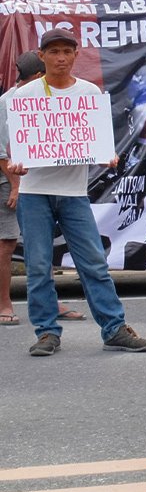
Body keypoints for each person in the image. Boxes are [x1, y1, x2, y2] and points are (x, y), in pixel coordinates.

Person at [0, 28, 146, 356]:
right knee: (39, 266)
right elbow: (13, 149)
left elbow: (95, 141)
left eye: (66, 52)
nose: (60, 58)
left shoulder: (88, 93)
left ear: (75, 55)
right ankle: (46, 333)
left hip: (73, 193)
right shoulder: (22, 98)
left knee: (94, 263)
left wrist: (106, 155)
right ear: (41, 56)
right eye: (53, 52)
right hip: (34, 192)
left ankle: (114, 328)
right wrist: (14, 166)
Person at [0, 52, 43, 327]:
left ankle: (50, 301)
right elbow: (2, 152)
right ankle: (4, 302)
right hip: (9, 179)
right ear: (37, 76)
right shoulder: (7, 102)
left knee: (42, 241)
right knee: (7, 242)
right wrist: (15, 186)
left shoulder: (49, 96)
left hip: (40, 179)